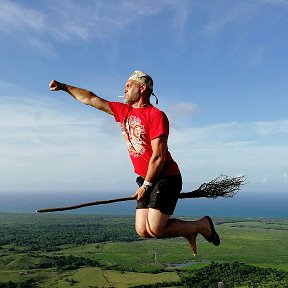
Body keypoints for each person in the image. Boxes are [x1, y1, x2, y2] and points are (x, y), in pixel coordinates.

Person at [49, 70, 220, 255]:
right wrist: (64, 87)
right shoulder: (124, 111)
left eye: (128, 86)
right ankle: (191, 231)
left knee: (156, 229)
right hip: (145, 179)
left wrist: (146, 186)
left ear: (142, 88)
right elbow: (91, 99)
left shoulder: (156, 115)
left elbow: (159, 157)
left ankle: (202, 225)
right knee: (143, 231)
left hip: (166, 177)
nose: (124, 89)